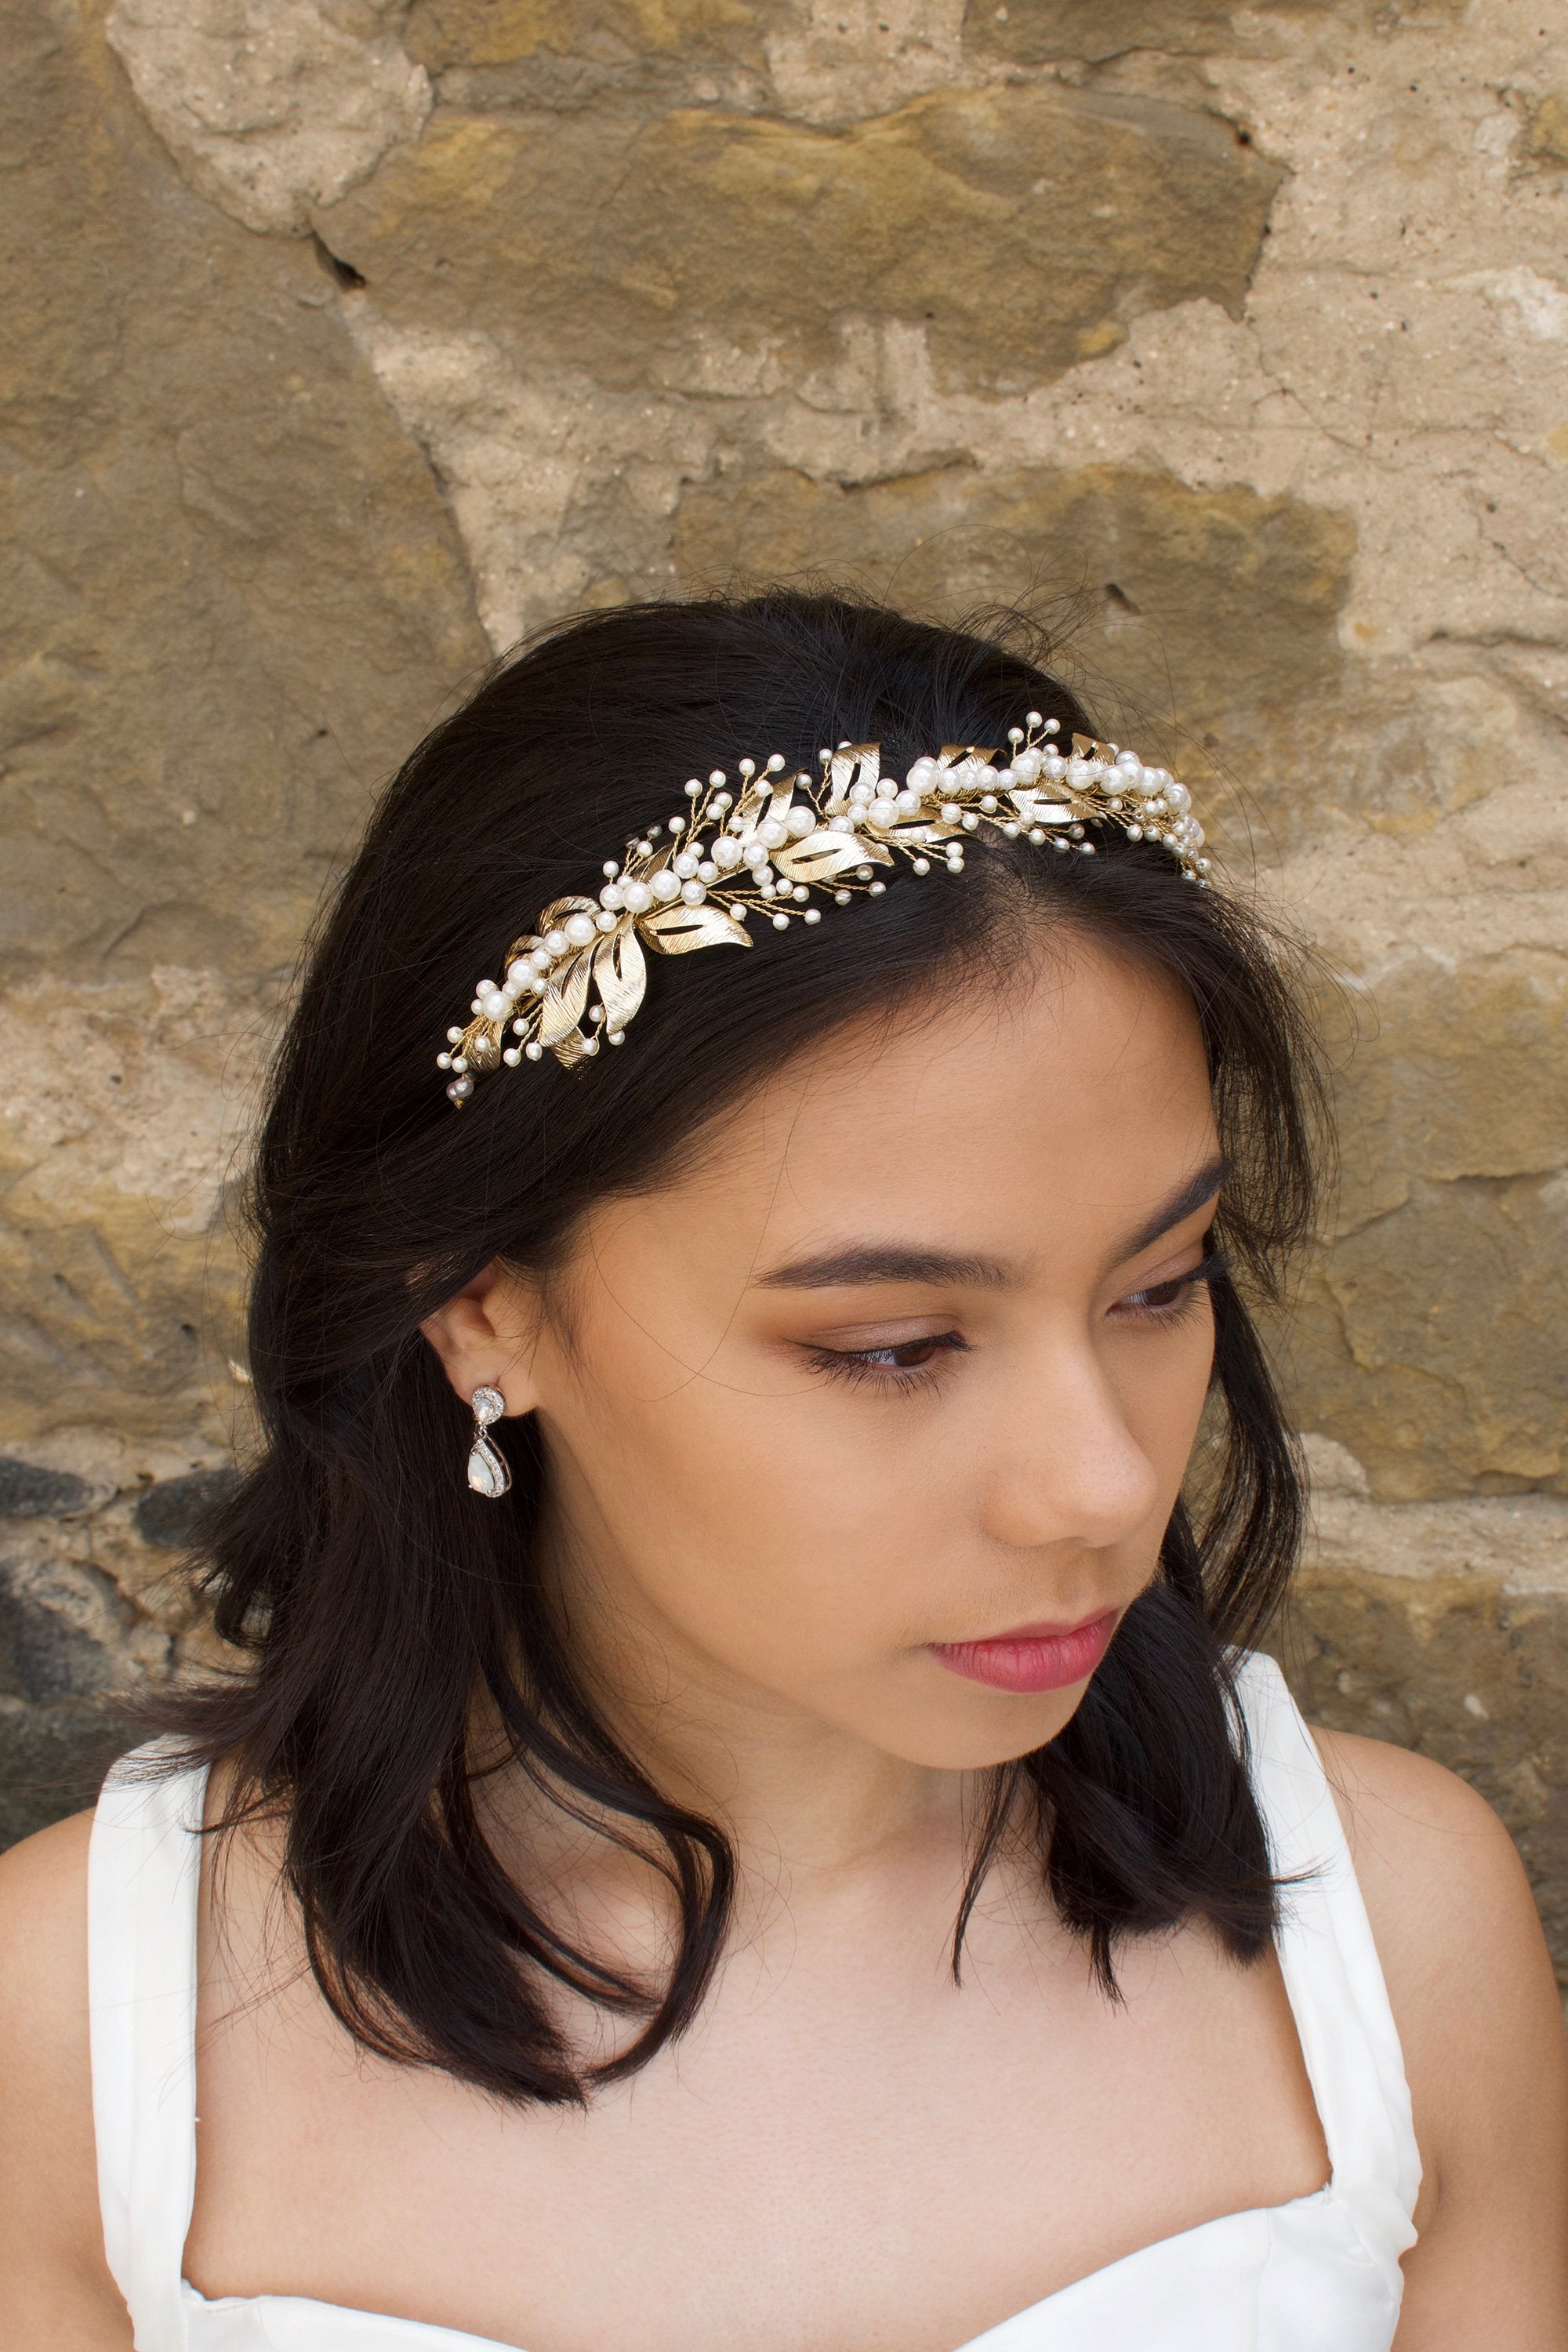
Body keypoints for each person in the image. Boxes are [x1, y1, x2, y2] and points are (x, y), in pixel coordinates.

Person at [1, 593, 1563, 2352]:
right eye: (888, 1348)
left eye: (1158, 1287)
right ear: (480, 1307)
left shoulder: (1397, 1937)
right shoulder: (76, 2043)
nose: (1100, 1486)